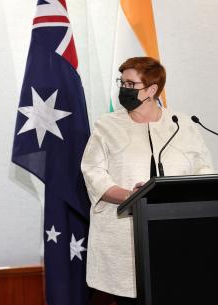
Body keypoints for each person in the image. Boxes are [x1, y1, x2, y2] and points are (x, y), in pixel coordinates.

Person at [81, 57, 214, 305]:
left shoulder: (181, 124)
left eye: (131, 84)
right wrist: (128, 195)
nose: (124, 89)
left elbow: (203, 169)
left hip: (178, 235)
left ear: (152, 90)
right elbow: (93, 173)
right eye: (122, 82)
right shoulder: (107, 125)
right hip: (125, 235)